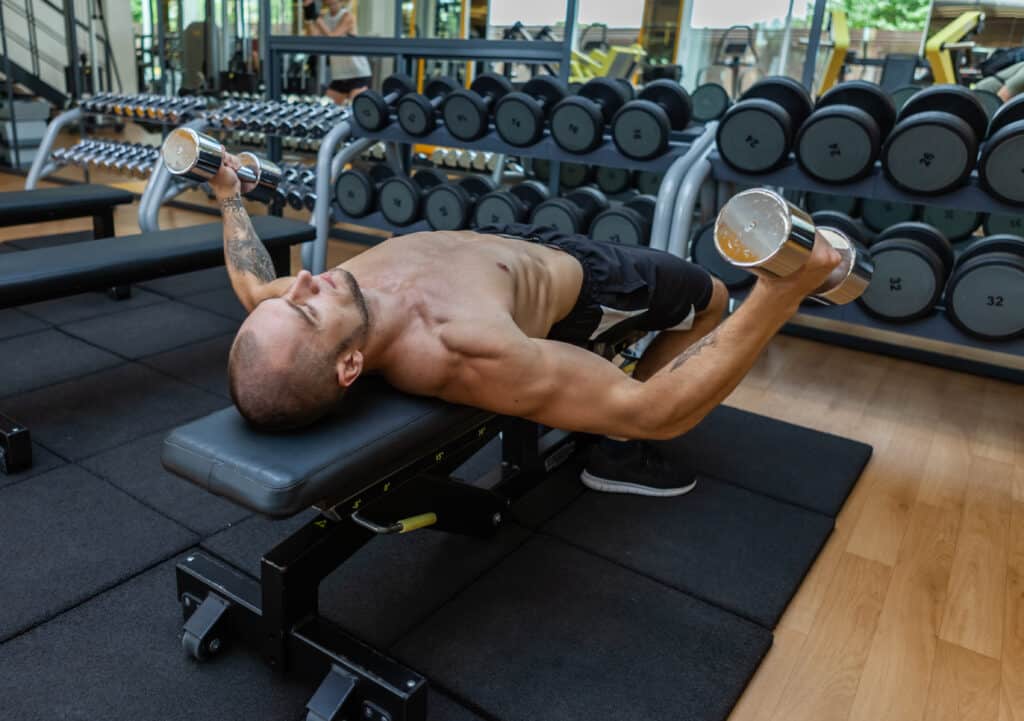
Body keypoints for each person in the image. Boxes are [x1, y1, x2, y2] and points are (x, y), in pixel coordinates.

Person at [210, 156, 841, 497]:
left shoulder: (320, 311)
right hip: (591, 284)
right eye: (302, 306)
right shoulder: (463, 345)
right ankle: (614, 454)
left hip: (507, 246)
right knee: (710, 299)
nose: (303, 281)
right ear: (349, 366)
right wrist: (781, 294)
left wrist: (229, 195)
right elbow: (657, 410)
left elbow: (249, 284)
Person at [303, 0, 372, 105]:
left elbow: (333, 37)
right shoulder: (325, 18)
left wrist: (316, 17)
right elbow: (313, 36)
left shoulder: (348, 16)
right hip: (339, 75)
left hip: (357, 73)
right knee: (327, 110)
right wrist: (308, 14)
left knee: (354, 111)